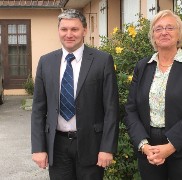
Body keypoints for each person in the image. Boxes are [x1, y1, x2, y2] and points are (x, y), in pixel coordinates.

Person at [31, 9, 119, 180]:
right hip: (57, 145)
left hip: (91, 144)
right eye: (64, 29)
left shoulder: (102, 60)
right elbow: (38, 109)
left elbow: (111, 108)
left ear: (84, 31)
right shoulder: (45, 62)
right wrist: (38, 147)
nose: (69, 34)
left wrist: (107, 148)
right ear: (58, 31)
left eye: (74, 29)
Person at [124, 10, 182, 180]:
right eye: (158, 29)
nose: (164, 32)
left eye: (170, 28)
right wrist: (144, 145)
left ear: (179, 34)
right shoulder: (142, 66)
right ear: (153, 36)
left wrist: (170, 147)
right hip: (149, 148)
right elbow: (130, 109)